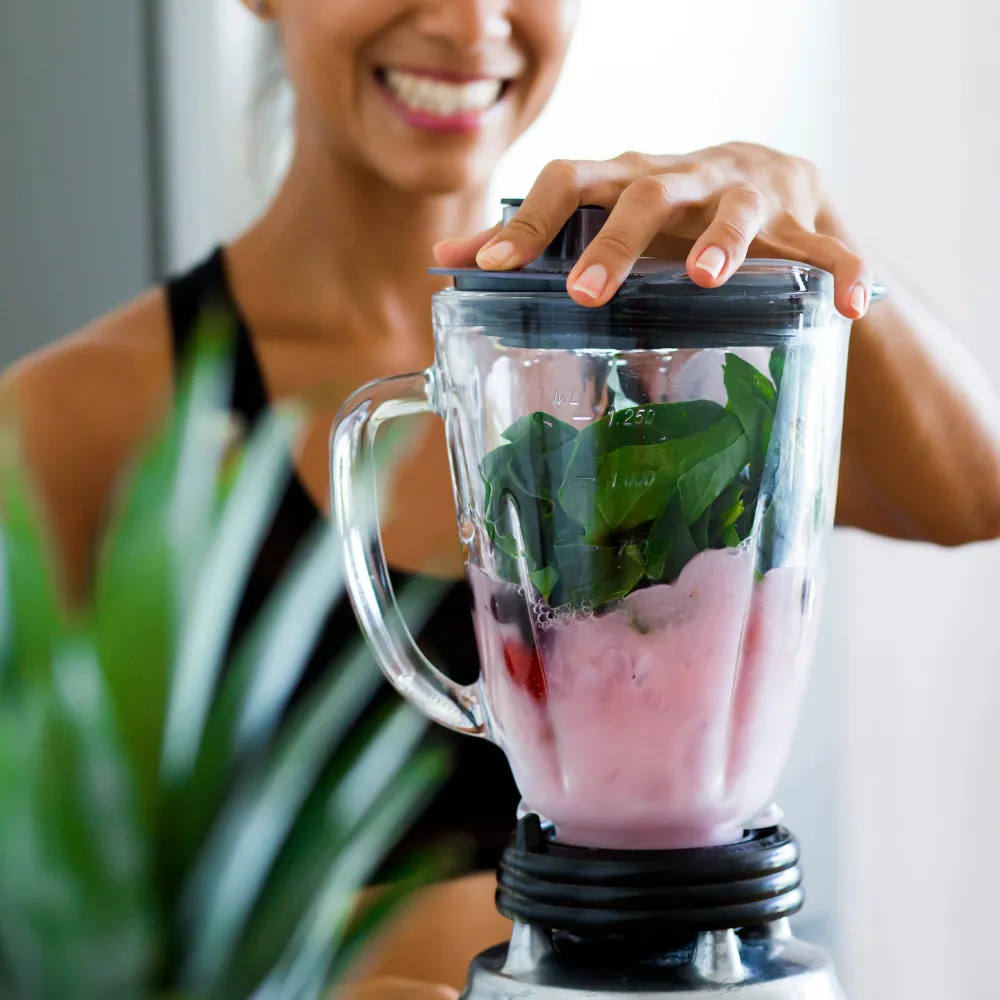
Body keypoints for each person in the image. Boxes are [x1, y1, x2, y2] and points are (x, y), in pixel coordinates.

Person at [4, 0, 1000, 995]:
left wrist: (820, 239)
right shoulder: (73, 423)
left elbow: (973, 492)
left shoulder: (660, 342)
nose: (468, 22)